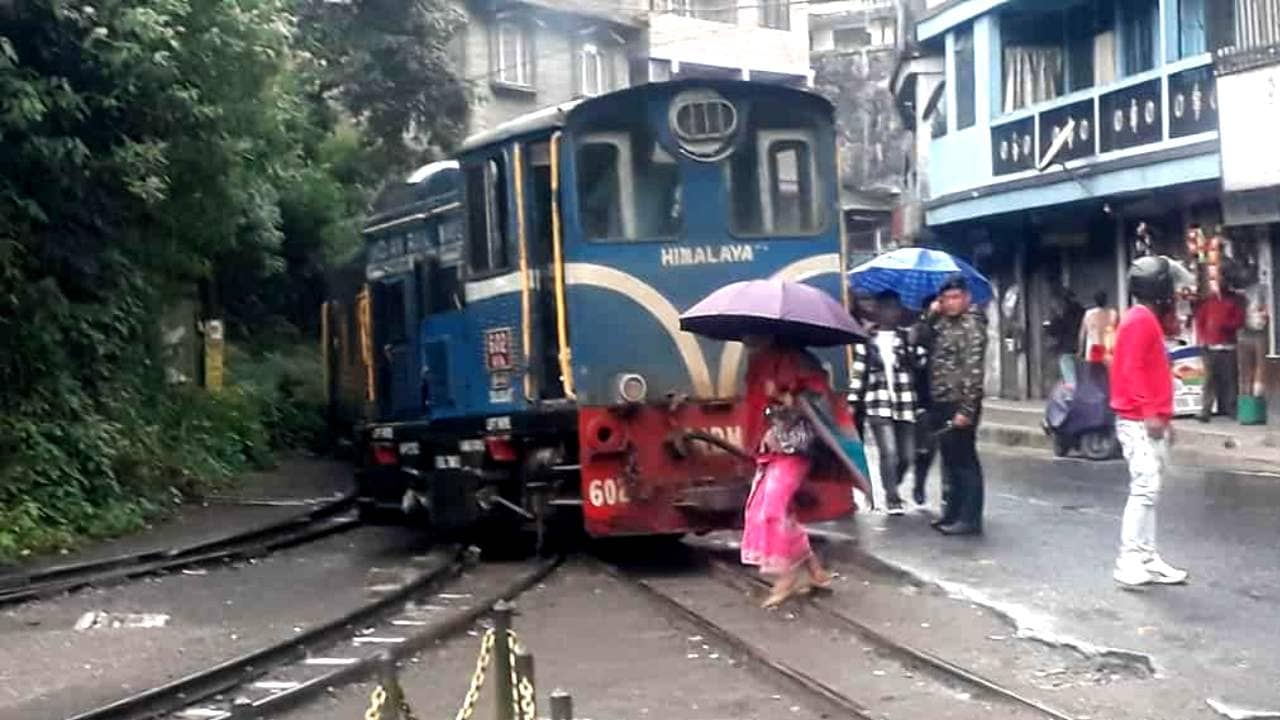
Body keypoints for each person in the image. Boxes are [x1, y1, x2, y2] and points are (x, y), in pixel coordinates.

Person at [739, 335, 850, 608]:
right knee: (772, 510)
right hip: (775, 450)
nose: (747, 341)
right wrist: (767, 428)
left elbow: (812, 406)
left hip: (797, 451)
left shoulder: (801, 364)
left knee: (772, 509)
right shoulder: (764, 365)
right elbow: (766, 409)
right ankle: (815, 571)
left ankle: (787, 577)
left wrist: (779, 396)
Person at [1110, 256, 1188, 588]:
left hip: (1147, 417)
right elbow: (1132, 371)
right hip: (1137, 419)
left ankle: (1147, 556)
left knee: (1150, 491)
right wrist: (1150, 412)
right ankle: (1128, 560)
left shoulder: (1144, 318)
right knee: (1144, 488)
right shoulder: (1140, 320)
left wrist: (1163, 417)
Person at [914, 275, 987, 535]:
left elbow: (974, 371)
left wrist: (967, 410)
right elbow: (917, 339)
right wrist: (930, 315)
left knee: (965, 462)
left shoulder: (972, 325)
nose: (951, 303)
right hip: (941, 400)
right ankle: (952, 513)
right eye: (946, 298)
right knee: (950, 462)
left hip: (960, 401)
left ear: (967, 298)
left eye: (956, 297)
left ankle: (970, 518)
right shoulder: (941, 323)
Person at [849, 291, 927, 515]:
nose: (892, 313)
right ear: (878, 310)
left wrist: (916, 343)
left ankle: (893, 480)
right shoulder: (867, 339)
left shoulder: (906, 337)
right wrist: (853, 400)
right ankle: (892, 497)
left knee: (907, 456)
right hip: (878, 403)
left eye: (896, 308)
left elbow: (921, 364)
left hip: (905, 403)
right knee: (889, 452)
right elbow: (859, 371)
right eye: (887, 308)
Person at [1194, 289, 1245, 422]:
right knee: (1209, 380)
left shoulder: (1233, 302)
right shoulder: (1208, 303)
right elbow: (1200, 321)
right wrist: (1203, 339)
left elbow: (1239, 321)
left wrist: (1226, 326)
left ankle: (1232, 409)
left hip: (1227, 346)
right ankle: (1206, 410)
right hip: (1210, 346)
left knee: (1230, 379)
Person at [1046, 290, 1084, 386]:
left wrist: (1048, 324)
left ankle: (1072, 390)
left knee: (1069, 377)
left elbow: (1055, 330)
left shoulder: (1064, 314)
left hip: (1067, 348)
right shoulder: (1082, 312)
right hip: (1081, 348)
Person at [1079, 291, 1118, 365]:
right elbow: (1116, 333)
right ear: (1106, 301)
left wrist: (1080, 350)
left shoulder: (1089, 314)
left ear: (1095, 301)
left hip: (1094, 347)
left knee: (1095, 370)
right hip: (1108, 348)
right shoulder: (1113, 313)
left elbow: (1082, 334)